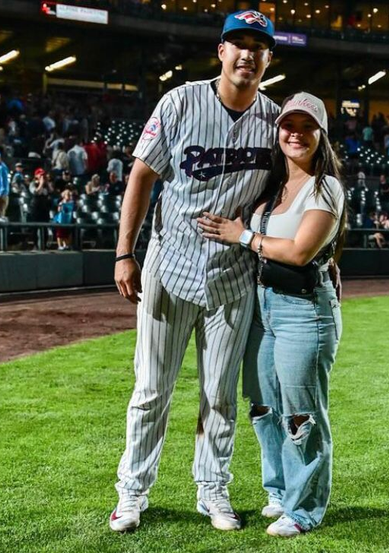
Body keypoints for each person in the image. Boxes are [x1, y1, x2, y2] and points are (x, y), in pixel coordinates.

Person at [110, 9, 279, 533]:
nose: (248, 53)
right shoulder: (180, 101)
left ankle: (213, 490)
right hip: (170, 262)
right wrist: (124, 252)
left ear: (268, 58)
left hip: (232, 274)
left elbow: (293, 188)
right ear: (221, 51)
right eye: (238, 42)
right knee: (151, 390)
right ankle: (132, 494)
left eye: (258, 45)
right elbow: (141, 175)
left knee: (219, 396)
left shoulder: (277, 121)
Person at [198, 92, 345, 537]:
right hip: (263, 306)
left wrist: (241, 236)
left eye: (307, 126)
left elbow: (300, 252)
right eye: (288, 125)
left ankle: (304, 509)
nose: (296, 134)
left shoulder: (326, 187)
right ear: (277, 130)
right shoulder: (271, 186)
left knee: (301, 413)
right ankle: (279, 492)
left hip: (304, 311)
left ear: (320, 134)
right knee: (264, 408)